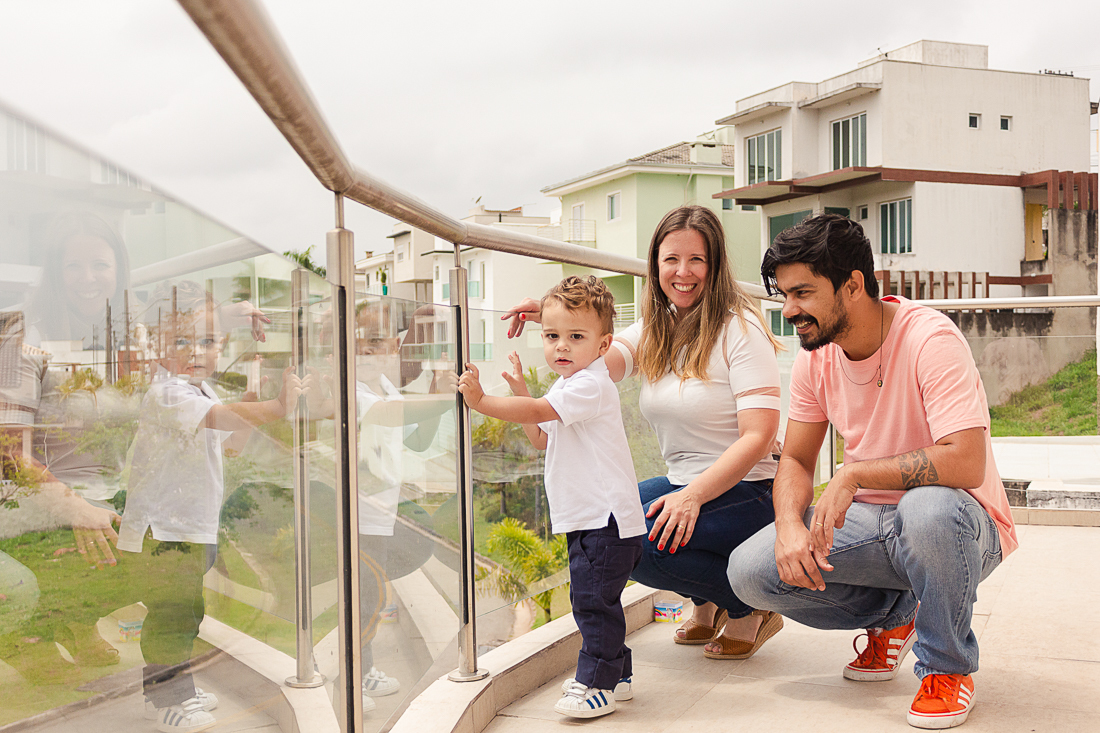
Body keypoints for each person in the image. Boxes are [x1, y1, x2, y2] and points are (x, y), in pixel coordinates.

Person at [728, 213, 1018, 730]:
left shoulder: (930, 339)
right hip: (873, 526)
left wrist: (854, 475)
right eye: (784, 295)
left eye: (802, 294)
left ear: (853, 285)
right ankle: (900, 616)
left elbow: (965, 460)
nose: (788, 310)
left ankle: (947, 668)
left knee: (926, 508)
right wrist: (791, 526)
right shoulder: (814, 359)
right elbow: (794, 458)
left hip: (960, 522)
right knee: (751, 572)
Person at [504, 206, 784, 660]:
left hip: (750, 488)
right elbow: (596, 360)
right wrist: (556, 319)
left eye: (697, 260)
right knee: (609, 519)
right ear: (655, 264)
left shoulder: (741, 328)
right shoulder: (658, 326)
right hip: (684, 479)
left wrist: (691, 497)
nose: (683, 272)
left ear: (715, 266)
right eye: (671, 259)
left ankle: (746, 606)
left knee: (638, 541)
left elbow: (759, 436)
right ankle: (705, 602)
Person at [460, 275, 646, 719]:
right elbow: (542, 437)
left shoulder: (592, 384)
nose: (561, 346)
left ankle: (596, 682)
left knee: (591, 603)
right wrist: (523, 392)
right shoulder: (570, 383)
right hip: (588, 518)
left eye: (575, 337)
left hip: (605, 520)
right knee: (598, 600)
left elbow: (542, 413)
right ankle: (617, 676)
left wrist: (483, 402)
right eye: (551, 336)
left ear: (603, 346)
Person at [117, 282, 299, 733]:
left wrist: (256, 396)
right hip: (162, 534)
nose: (196, 351)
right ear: (158, 346)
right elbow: (222, 420)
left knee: (186, 614)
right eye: (181, 341)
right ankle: (166, 701)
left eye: (207, 341)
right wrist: (276, 407)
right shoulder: (167, 394)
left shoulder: (200, 391)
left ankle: (173, 687)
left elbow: (232, 443)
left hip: (192, 529)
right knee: (172, 618)